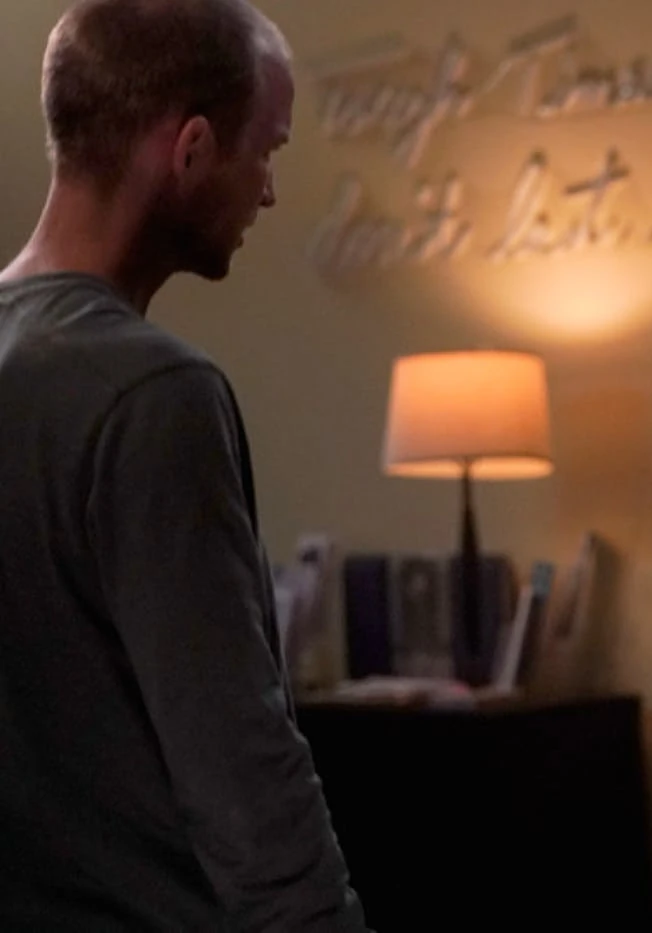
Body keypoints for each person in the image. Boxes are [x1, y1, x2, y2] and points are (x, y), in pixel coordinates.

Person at [0, 1, 369, 929]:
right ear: (193, 149)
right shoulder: (154, 395)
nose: (269, 193)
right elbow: (241, 769)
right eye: (268, 151)